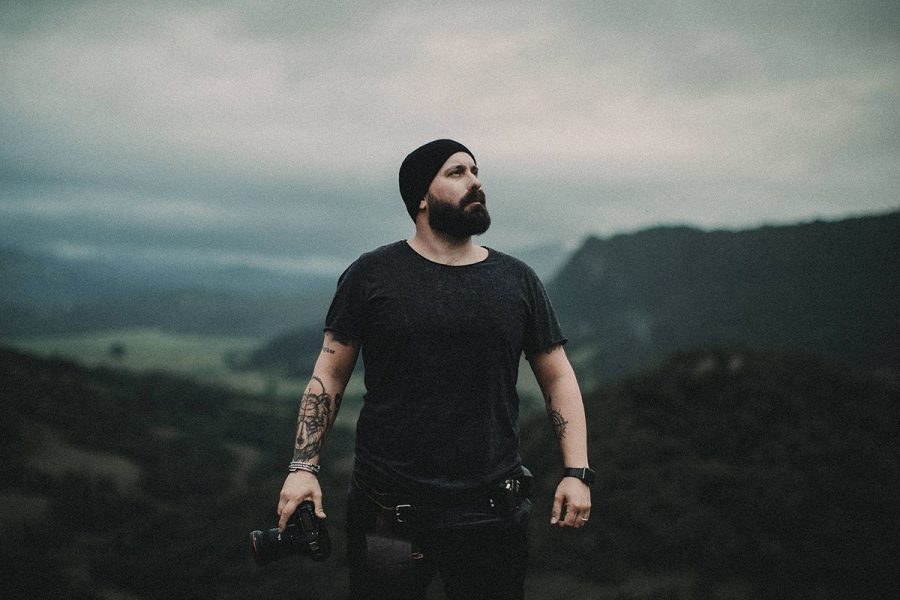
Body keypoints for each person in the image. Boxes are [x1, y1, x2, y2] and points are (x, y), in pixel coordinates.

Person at [276, 139, 592, 599]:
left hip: (490, 512)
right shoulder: (372, 275)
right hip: (389, 513)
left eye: (476, 170)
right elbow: (329, 374)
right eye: (457, 172)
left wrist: (577, 472)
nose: (475, 181)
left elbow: (558, 376)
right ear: (420, 196)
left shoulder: (517, 280)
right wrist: (304, 466)